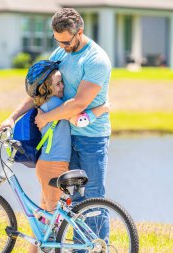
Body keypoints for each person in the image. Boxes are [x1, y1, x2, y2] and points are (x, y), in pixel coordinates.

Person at [23, 60, 109, 253]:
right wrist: (102, 109)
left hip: (47, 163)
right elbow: (78, 119)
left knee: (46, 212)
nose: (63, 87)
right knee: (54, 217)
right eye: (58, 84)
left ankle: (33, 250)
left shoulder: (47, 103)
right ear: (46, 88)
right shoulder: (55, 104)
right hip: (54, 164)